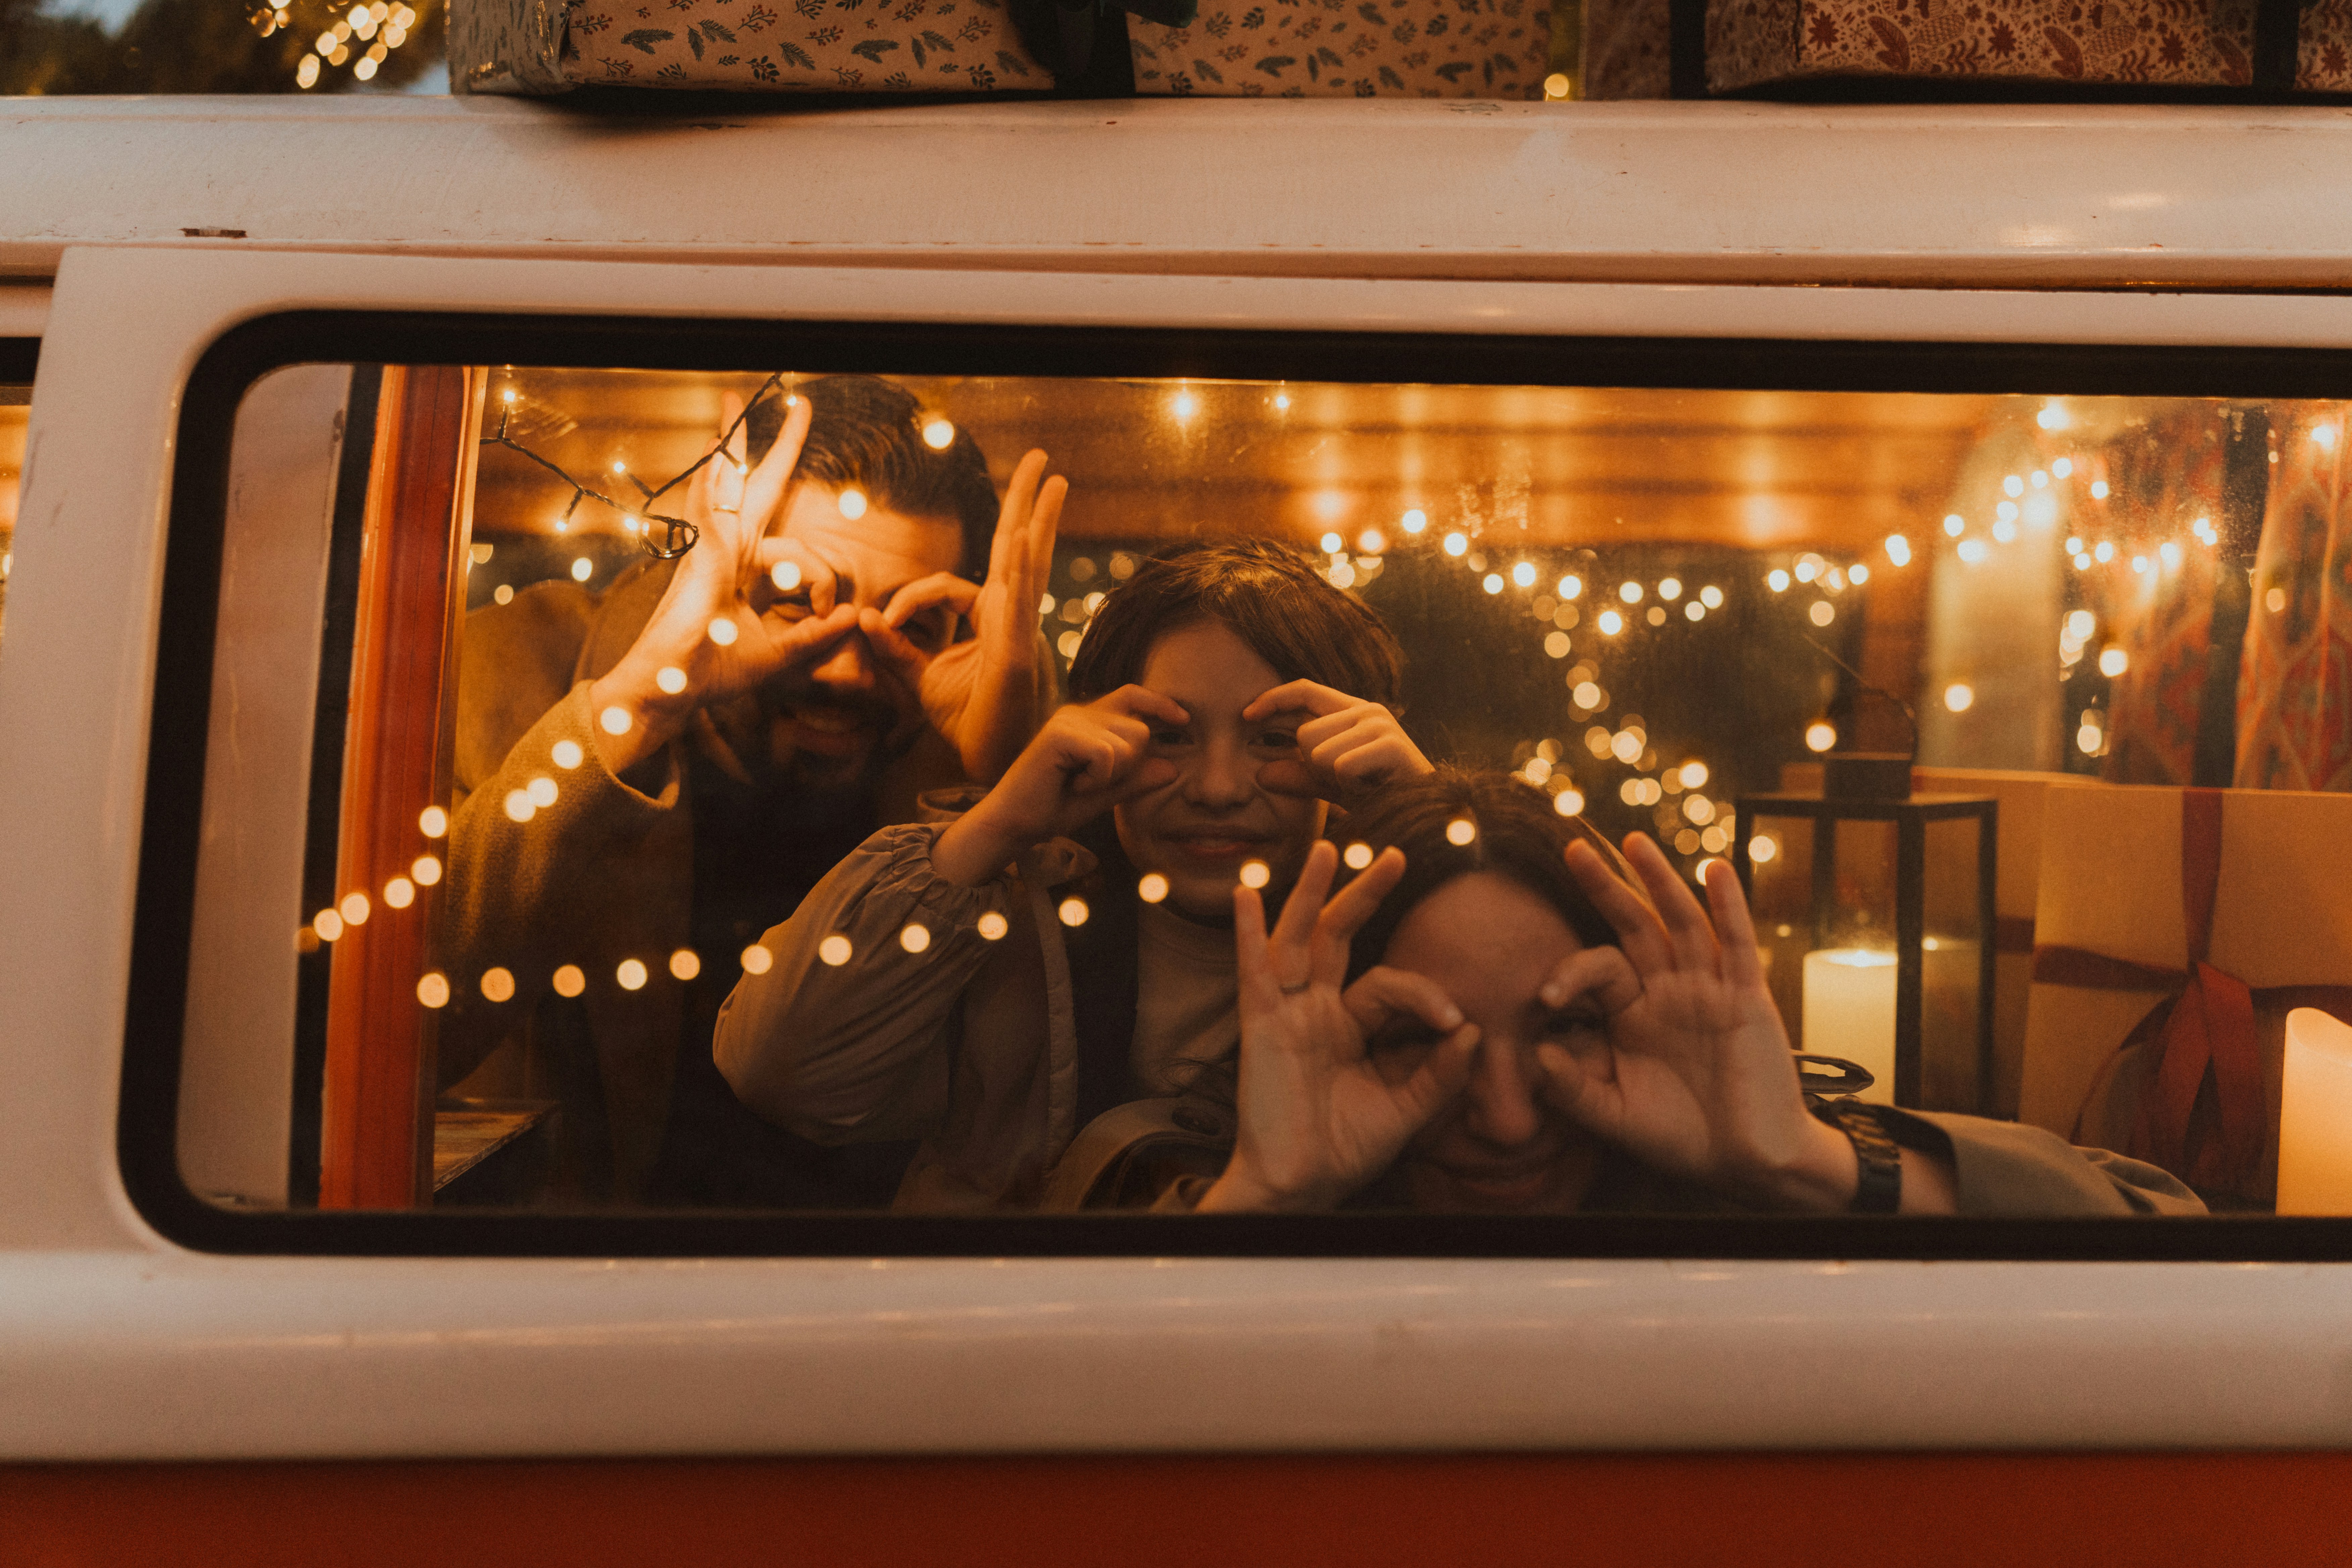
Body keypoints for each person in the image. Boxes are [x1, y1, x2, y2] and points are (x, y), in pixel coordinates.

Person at [437, 375, 1064, 1205]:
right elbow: (393, 1036)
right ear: (717, 562)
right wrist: (641, 703)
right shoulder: (504, 678)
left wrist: (999, 785)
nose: (847, 670)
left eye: (910, 623)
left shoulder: (976, 734)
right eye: (799, 600)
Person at [1051, 769, 2205, 1218]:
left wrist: (1799, 1161)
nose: (1508, 1118)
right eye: (1418, 1040)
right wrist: (1266, 1200)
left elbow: (2165, 1232)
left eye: (1563, 1028)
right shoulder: (1157, 1168)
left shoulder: (1718, 1161)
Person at [713, 539, 1436, 1211]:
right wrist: (998, 823)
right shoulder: (1010, 918)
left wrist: (1431, 831)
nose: (1218, 788)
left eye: (1274, 739)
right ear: (1099, 728)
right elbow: (780, 1073)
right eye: (1170, 735)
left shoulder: (1392, 929)